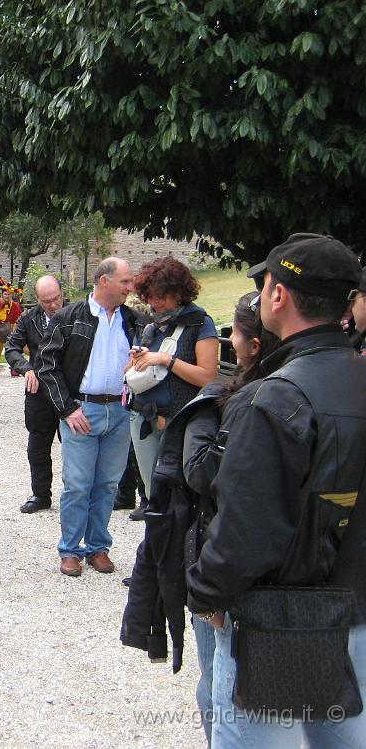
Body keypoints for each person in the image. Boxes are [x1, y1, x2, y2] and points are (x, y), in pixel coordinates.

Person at [186, 233, 366, 748]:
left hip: (282, 624)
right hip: (353, 609)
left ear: (279, 295)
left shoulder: (274, 400)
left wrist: (206, 592)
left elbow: (247, 526)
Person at [121, 291, 278, 747]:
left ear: (248, 344)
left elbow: (203, 476)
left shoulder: (235, 397)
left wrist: (200, 415)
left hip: (232, 571)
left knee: (227, 691)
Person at [36, 257, 137, 577]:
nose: (129, 287)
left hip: (119, 411)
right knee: (78, 484)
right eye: (124, 281)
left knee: (107, 484)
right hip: (83, 410)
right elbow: (46, 365)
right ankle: (70, 549)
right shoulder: (69, 318)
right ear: (104, 281)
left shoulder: (133, 320)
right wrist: (67, 409)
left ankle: (97, 547)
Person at [125, 257, 218, 520]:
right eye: (150, 296)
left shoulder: (200, 323)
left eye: (161, 297)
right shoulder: (150, 326)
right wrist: (135, 360)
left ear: (179, 292)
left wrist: (167, 360)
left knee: (180, 497)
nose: (155, 303)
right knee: (155, 496)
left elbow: (207, 377)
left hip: (181, 420)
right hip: (144, 416)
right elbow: (127, 371)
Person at [4, 274, 64, 514]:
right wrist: (26, 369)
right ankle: (41, 494)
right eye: (46, 301)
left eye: (56, 298)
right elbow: (11, 348)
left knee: (73, 445)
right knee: (38, 445)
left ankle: (75, 494)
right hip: (39, 390)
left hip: (69, 389)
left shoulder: (77, 315)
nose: (52, 304)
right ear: (38, 300)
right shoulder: (29, 319)